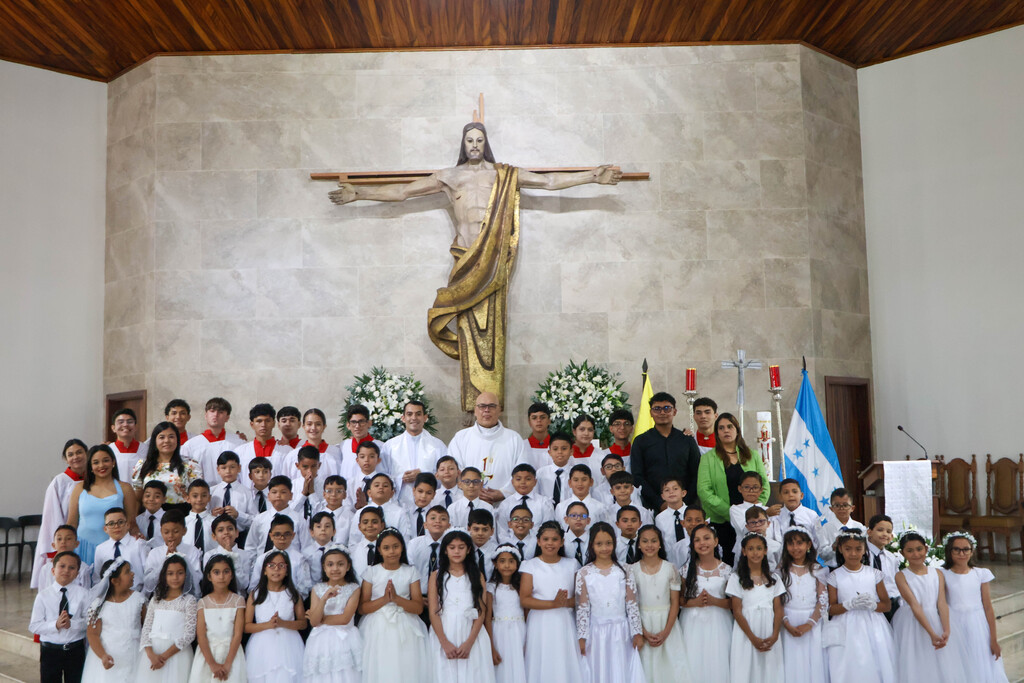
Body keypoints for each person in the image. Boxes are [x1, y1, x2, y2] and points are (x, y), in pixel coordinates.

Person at [329, 122, 621, 413]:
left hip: (493, 261)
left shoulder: (503, 175)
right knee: (467, 327)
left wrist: (593, 176)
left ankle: (490, 404)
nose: (474, 145)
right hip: (466, 261)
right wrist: (359, 193)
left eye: (479, 140)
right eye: (469, 140)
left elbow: (548, 182)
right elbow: (404, 192)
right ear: (463, 143)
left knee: (492, 328)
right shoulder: (450, 177)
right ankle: (473, 406)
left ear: (486, 144)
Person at [359, 528, 432, 683]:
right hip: (377, 627)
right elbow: (363, 607)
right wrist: (385, 599)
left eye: (396, 546)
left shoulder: (411, 571)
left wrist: (397, 599)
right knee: (381, 666)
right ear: (379, 550)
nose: (391, 551)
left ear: (402, 548)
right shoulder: (371, 572)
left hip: (406, 625)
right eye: (386, 548)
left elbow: (418, 607)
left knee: (406, 666)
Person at [575, 521, 644, 683]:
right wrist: (582, 637)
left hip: (621, 631)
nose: (604, 548)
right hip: (596, 632)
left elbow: (632, 604)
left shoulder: (625, 570)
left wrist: (637, 632)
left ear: (614, 543)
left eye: (608, 543)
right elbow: (583, 608)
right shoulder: (584, 573)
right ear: (592, 545)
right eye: (599, 544)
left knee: (620, 668)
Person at [696, 413, 769, 565]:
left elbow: (764, 487)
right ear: (717, 433)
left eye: (730, 427)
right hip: (722, 522)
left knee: (755, 563)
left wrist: (753, 514)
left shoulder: (753, 456)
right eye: (721, 428)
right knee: (727, 563)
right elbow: (704, 491)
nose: (726, 431)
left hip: (753, 523)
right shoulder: (708, 458)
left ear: (737, 430)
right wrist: (731, 513)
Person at [826, 529, 897, 683]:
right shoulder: (834, 576)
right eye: (848, 549)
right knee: (849, 666)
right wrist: (848, 604)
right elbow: (830, 609)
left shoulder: (874, 574)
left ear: (865, 550)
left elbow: (886, 605)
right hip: (845, 626)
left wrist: (873, 605)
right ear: (840, 549)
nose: (853, 553)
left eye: (858, 549)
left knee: (876, 662)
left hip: (873, 625)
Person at [893, 530, 965, 683]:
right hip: (912, 622)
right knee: (917, 661)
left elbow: (941, 603)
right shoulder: (901, 576)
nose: (916, 554)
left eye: (919, 549)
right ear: (902, 553)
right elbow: (914, 605)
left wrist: (946, 629)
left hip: (936, 620)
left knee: (941, 663)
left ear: (926, 549)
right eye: (910, 551)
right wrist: (931, 633)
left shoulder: (937, 573)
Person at [520, 521, 584, 683]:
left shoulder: (572, 564)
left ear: (562, 542)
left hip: (564, 622)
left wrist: (566, 602)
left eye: (555, 539)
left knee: (563, 660)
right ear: (539, 541)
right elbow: (525, 599)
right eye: (546, 539)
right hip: (540, 623)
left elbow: (580, 597)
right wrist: (553, 604)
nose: (550, 543)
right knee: (541, 660)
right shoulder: (530, 565)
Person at [941, 531, 1009, 683]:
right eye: (956, 549)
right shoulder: (942, 573)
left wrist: (994, 639)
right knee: (958, 660)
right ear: (949, 551)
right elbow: (942, 602)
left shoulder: (980, 574)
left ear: (972, 551)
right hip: (954, 622)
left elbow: (988, 607)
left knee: (979, 659)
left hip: (977, 623)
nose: (961, 553)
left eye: (966, 549)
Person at [428, 529, 495, 683]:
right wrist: (444, 642)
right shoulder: (436, 576)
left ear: (469, 549)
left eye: (461, 547)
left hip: (471, 631)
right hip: (444, 629)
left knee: (473, 674)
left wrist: (469, 642)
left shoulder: (477, 575)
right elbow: (433, 611)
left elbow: (481, 610)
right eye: (452, 547)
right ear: (445, 550)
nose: (456, 551)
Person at [629, 525, 686, 683]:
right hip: (643, 622)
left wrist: (667, 631)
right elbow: (631, 603)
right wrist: (642, 631)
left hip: (667, 622)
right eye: (645, 541)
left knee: (670, 668)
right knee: (647, 667)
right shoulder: (632, 570)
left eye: (654, 541)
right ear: (639, 544)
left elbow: (675, 602)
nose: (650, 545)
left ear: (660, 543)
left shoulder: (670, 568)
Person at [726, 532, 785, 683]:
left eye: (759, 548)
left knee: (769, 671)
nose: (755, 552)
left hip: (768, 630)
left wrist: (775, 634)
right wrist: (752, 638)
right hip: (746, 631)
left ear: (765, 551)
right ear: (744, 551)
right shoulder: (736, 578)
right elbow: (737, 611)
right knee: (746, 669)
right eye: (750, 549)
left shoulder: (774, 579)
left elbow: (778, 609)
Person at [66, 444, 140, 564]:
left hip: (114, 548)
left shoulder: (125, 488)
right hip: (83, 547)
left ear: (113, 462)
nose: (101, 466)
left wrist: (138, 539)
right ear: (90, 466)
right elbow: (71, 523)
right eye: (96, 462)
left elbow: (131, 522)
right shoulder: (79, 488)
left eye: (106, 460)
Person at [447, 392, 526, 502]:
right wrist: (473, 491)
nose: (486, 410)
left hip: (505, 504)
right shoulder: (461, 438)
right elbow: (454, 470)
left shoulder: (514, 439)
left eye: (492, 406)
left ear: (499, 410)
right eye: (482, 406)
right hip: (470, 502)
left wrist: (503, 493)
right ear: (475, 410)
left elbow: (522, 471)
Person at [679, 523, 732, 683]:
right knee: (693, 660)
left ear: (716, 541)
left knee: (717, 660)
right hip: (692, 623)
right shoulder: (686, 569)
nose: (702, 543)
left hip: (719, 623)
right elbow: (680, 599)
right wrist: (694, 602)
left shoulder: (726, 570)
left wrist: (715, 601)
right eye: (697, 540)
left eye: (707, 538)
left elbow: (733, 603)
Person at [630, 392, 701, 510]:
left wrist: (684, 502)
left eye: (667, 408)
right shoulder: (641, 441)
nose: (662, 412)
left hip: (686, 505)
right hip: (652, 506)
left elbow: (697, 473)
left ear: (674, 412)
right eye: (657, 409)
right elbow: (637, 476)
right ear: (651, 413)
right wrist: (659, 503)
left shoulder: (686, 440)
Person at [33, 439, 89, 588]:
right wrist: (59, 546)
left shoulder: (95, 480)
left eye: (79, 452)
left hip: (89, 537)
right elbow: (52, 516)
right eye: (70, 454)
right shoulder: (60, 482)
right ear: (66, 459)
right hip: (69, 539)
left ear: (87, 454)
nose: (75, 457)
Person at [244, 551, 306, 683]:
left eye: (281, 566)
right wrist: (268, 625)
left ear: (287, 571)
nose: (276, 569)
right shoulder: (255, 594)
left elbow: (303, 623)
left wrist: (284, 623)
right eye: (271, 565)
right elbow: (246, 626)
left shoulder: (293, 594)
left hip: (289, 645)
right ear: (264, 571)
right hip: (262, 645)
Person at [303, 548, 362, 683]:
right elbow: (313, 623)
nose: (335, 568)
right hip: (320, 640)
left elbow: (344, 618)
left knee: (345, 674)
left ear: (348, 567)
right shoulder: (317, 589)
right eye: (330, 564)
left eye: (340, 564)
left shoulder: (354, 588)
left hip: (345, 638)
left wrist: (319, 619)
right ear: (324, 567)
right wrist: (323, 599)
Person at [778, 526, 828, 683]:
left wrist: (810, 623)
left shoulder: (817, 570)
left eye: (799, 543)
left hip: (812, 622)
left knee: (812, 663)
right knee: (790, 664)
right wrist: (785, 622)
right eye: (791, 544)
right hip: (787, 621)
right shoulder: (781, 571)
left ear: (808, 545)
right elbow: (777, 601)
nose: (795, 548)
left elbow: (822, 600)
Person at [82, 558, 145, 681]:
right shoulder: (99, 604)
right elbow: (93, 634)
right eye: (127, 572)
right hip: (109, 655)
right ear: (115, 580)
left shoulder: (139, 599)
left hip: (134, 654)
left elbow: (145, 626)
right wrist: (103, 655)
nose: (132, 573)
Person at [30, 550, 89, 683]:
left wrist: (72, 624)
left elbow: (89, 622)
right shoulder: (43, 596)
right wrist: (55, 625)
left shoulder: (84, 594)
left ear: (77, 573)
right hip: (50, 650)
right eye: (62, 566)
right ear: (53, 570)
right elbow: (34, 626)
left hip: (75, 649)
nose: (66, 570)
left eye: (72, 567)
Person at [136, 555, 197, 682]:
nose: (175, 577)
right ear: (164, 576)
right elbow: (146, 628)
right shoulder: (156, 599)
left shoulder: (189, 601)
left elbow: (189, 635)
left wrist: (164, 656)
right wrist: (151, 655)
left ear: (186, 575)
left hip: (177, 653)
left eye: (180, 573)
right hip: (153, 653)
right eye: (170, 573)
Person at [189, 554, 246, 683]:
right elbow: (201, 636)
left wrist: (227, 664)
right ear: (209, 576)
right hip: (208, 655)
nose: (221, 576)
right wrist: (212, 664)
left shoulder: (238, 601)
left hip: (232, 654)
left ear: (231, 575)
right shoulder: (203, 603)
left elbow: (237, 635)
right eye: (216, 572)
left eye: (226, 572)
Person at [382, 400, 447, 507]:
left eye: (418, 414)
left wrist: (422, 476)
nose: (414, 418)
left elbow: (445, 476)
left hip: (430, 505)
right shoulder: (390, 446)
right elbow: (383, 476)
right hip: (400, 503)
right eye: (409, 414)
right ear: (403, 418)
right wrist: (400, 478)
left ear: (425, 417)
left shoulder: (438, 446)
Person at [133, 422, 202, 512]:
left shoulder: (189, 465)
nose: (166, 441)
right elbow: (137, 498)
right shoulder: (143, 465)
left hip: (181, 514)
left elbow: (197, 495)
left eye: (171, 437)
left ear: (177, 439)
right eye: (162, 437)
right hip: (150, 515)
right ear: (154, 440)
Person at [180, 398, 245, 486]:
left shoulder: (238, 443)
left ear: (227, 417)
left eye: (221, 412)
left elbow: (243, 473)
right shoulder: (190, 445)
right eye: (212, 411)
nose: (216, 415)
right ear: (206, 415)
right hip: (202, 495)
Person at [486, 544, 526, 683]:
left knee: (519, 665)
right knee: (502, 668)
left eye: (511, 561)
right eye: (502, 561)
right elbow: (487, 617)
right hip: (499, 632)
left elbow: (527, 613)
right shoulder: (491, 587)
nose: (507, 565)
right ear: (495, 564)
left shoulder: (522, 586)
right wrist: (491, 647)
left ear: (517, 564)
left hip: (520, 630)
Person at [141, 511, 202, 597]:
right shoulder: (154, 553)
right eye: (166, 532)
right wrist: (165, 560)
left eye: (175, 531)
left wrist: (182, 559)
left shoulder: (192, 551)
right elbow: (148, 583)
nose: (170, 536)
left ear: (184, 531)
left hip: (185, 598)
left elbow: (197, 579)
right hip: (161, 598)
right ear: (161, 531)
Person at [91, 507, 145, 590]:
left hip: (136, 593)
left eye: (120, 522)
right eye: (111, 523)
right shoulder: (100, 549)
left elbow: (147, 574)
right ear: (105, 529)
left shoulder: (139, 544)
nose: (116, 526)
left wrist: (143, 596)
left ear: (128, 525)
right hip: (109, 596)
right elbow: (97, 578)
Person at [232, 403, 288, 482]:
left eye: (267, 421)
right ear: (252, 424)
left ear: (274, 423)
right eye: (259, 421)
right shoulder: (240, 452)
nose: (263, 425)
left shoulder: (286, 452)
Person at [818, 487, 866, 566]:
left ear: (852, 508)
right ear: (831, 509)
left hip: (855, 568)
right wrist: (834, 547)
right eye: (837, 505)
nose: (841, 508)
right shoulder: (826, 528)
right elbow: (823, 555)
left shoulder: (859, 527)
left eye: (845, 505)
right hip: (834, 569)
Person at [866, 514, 900, 621]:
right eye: (880, 530)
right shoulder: (862, 554)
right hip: (870, 605)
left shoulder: (891, 558)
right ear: (869, 532)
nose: (885, 534)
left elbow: (895, 581)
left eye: (889, 532)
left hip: (891, 603)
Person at [535, 432, 573, 506]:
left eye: (564, 449)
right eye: (555, 449)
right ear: (549, 452)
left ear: (571, 451)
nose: (560, 452)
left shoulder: (575, 473)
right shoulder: (541, 473)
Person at [109, 408, 143, 484]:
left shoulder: (145, 449)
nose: (125, 425)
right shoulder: (108, 450)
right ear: (113, 428)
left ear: (136, 427)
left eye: (129, 422)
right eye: (120, 422)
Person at [523, 402, 552, 470]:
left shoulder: (556, 446)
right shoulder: (522, 446)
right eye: (534, 418)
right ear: (529, 422)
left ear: (549, 420)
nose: (539, 420)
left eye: (542, 417)